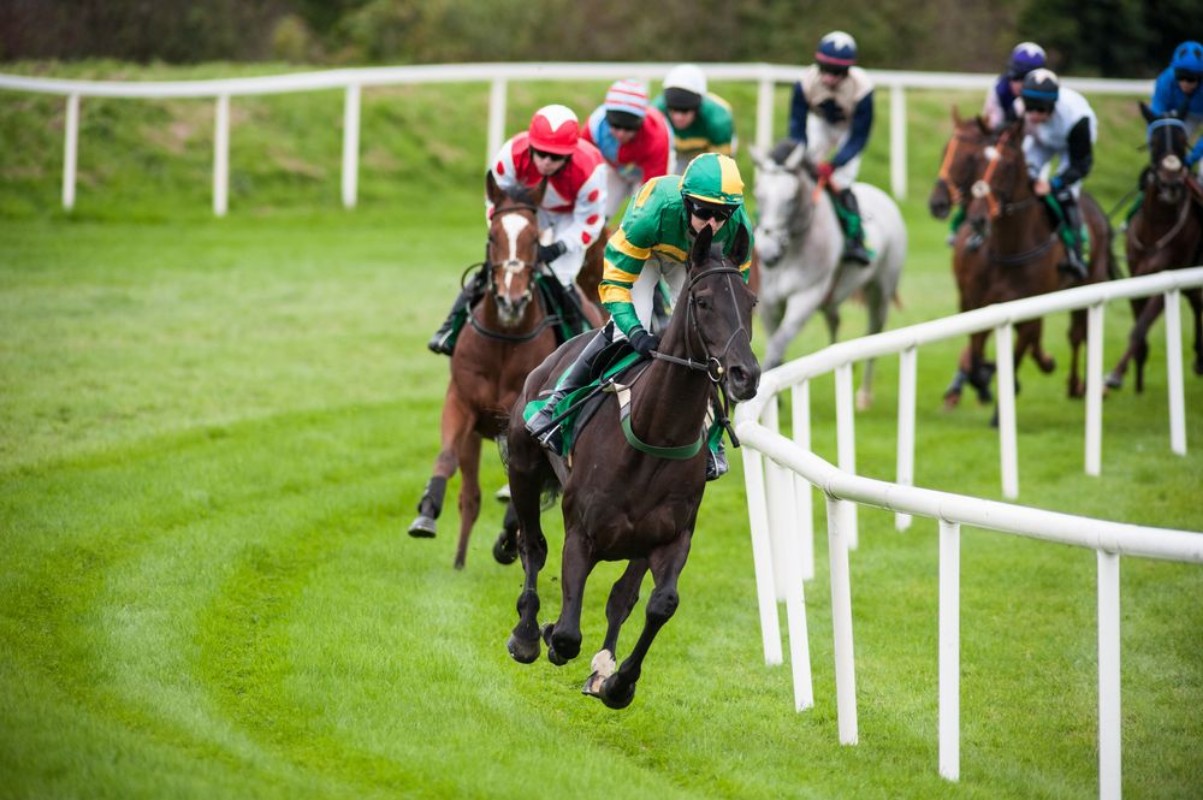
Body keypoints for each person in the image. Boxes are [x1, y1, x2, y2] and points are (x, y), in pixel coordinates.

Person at [525, 153, 754, 480]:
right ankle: (555, 407)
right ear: (687, 201)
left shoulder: (739, 227)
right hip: (645, 252)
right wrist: (635, 332)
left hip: (692, 263)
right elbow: (615, 283)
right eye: (704, 212)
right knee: (624, 329)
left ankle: (713, 435)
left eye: (723, 215)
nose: (714, 224)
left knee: (702, 336)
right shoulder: (653, 213)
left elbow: (732, 301)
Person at [427, 104, 607, 355]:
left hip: (570, 218)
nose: (546, 162)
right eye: (540, 153)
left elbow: (590, 222)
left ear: (569, 155)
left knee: (561, 277)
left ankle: (579, 348)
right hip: (527, 210)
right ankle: (449, 329)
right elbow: (496, 200)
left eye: (555, 157)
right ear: (531, 145)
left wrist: (558, 247)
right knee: (496, 266)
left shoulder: (590, 170)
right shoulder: (510, 155)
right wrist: (507, 239)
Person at [787, 30, 874, 265]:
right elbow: (796, 125)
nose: (829, 77)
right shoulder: (805, 82)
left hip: (847, 129)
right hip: (819, 125)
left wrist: (836, 164)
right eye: (824, 69)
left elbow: (859, 136)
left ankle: (856, 239)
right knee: (796, 171)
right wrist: (802, 155)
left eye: (836, 72)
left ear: (847, 70)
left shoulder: (862, 87)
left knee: (842, 181)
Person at [1019, 68, 1096, 280]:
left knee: (1064, 194)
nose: (1033, 114)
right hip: (1041, 140)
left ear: (1053, 104)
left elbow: (1083, 164)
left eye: (1040, 109)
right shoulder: (1020, 110)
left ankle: (1077, 253)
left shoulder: (1077, 118)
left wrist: (1055, 183)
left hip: (1071, 146)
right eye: (1029, 107)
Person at [582, 79, 673, 219]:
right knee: (597, 215)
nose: (621, 133)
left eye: (630, 127)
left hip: (646, 172)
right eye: (615, 125)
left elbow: (653, 191)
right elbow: (582, 169)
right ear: (607, 117)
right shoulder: (595, 126)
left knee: (643, 217)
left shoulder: (657, 135)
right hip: (615, 169)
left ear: (641, 121)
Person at [651, 63, 737, 174]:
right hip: (677, 151)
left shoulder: (719, 121)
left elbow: (721, 170)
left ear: (697, 107)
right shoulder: (656, 113)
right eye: (673, 109)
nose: (678, 117)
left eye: (685, 110)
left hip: (709, 150)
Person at [1150, 40, 1203, 175]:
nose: (1184, 83)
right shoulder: (1165, 80)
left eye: (1191, 79)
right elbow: (1156, 122)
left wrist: (1190, 160)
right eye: (1180, 76)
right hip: (1182, 114)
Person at [983, 42, 1047, 130]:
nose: (1019, 84)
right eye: (1016, 77)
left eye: (1025, 80)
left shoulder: (1047, 95)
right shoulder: (1000, 90)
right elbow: (990, 127)